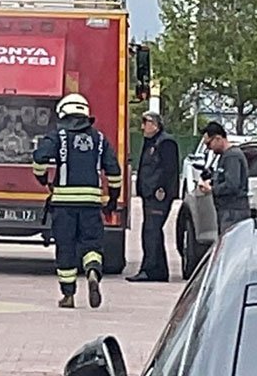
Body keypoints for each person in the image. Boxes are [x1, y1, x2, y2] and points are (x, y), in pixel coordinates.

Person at [32, 93, 122, 309]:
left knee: (66, 247)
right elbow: (114, 171)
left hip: (64, 205)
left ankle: (68, 295)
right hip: (91, 204)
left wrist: (43, 178)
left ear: (63, 114)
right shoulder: (100, 139)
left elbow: (39, 158)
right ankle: (92, 271)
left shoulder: (58, 136)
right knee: (92, 244)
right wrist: (112, 199)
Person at [128, 111, 179, 283]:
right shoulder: (150, 142)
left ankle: (149, 269)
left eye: (146, 122)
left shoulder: (165, 142)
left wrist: (161, 189)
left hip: (159, 195)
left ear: (156, 125)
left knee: (151, 231)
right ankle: (159, 269)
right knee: (152, 231)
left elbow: (169, 170)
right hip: (149, 193)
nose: (143, 127)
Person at [198, 121, 251, 235]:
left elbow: (232, 185)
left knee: (230, 246)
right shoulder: (225, 156)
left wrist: (212, 190)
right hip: (227, 211)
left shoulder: (232, 156)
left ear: (218, 138)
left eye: (209, 144)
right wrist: (211, 182)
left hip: (233, 212)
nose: (209, 149)